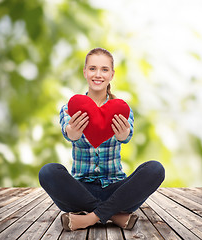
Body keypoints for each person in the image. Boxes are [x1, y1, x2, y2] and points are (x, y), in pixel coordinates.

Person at [39, 47, 165, 231]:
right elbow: (68, 132)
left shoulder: (121, 108)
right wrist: (72, 133)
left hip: (117, 190)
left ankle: (88, 218)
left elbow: (127, 135)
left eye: (104, 69)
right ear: (85, 72)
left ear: (112, 74)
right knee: (48, 172)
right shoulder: (70, 108)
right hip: (80, 191)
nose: (98, 74)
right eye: (92, 69)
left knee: (155, 169)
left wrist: (123, 135)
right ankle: (114, 216)